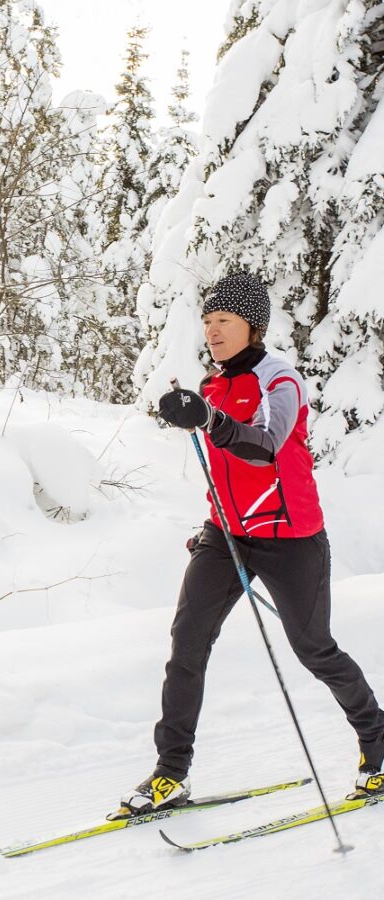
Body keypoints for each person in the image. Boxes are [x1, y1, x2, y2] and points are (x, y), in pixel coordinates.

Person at [119, 271, 384, 815]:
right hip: (228, 537)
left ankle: (377, 745)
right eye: (208, 321)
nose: (213, 331)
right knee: (186, 645)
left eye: (225, 321)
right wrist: (213, 521)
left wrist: (211, 421)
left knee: (314, 650)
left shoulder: (279, 380)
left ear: (253, 326)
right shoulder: (214, 384)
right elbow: (227, 474)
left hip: (292, 540)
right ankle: (171, 774)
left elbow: (265, 447)